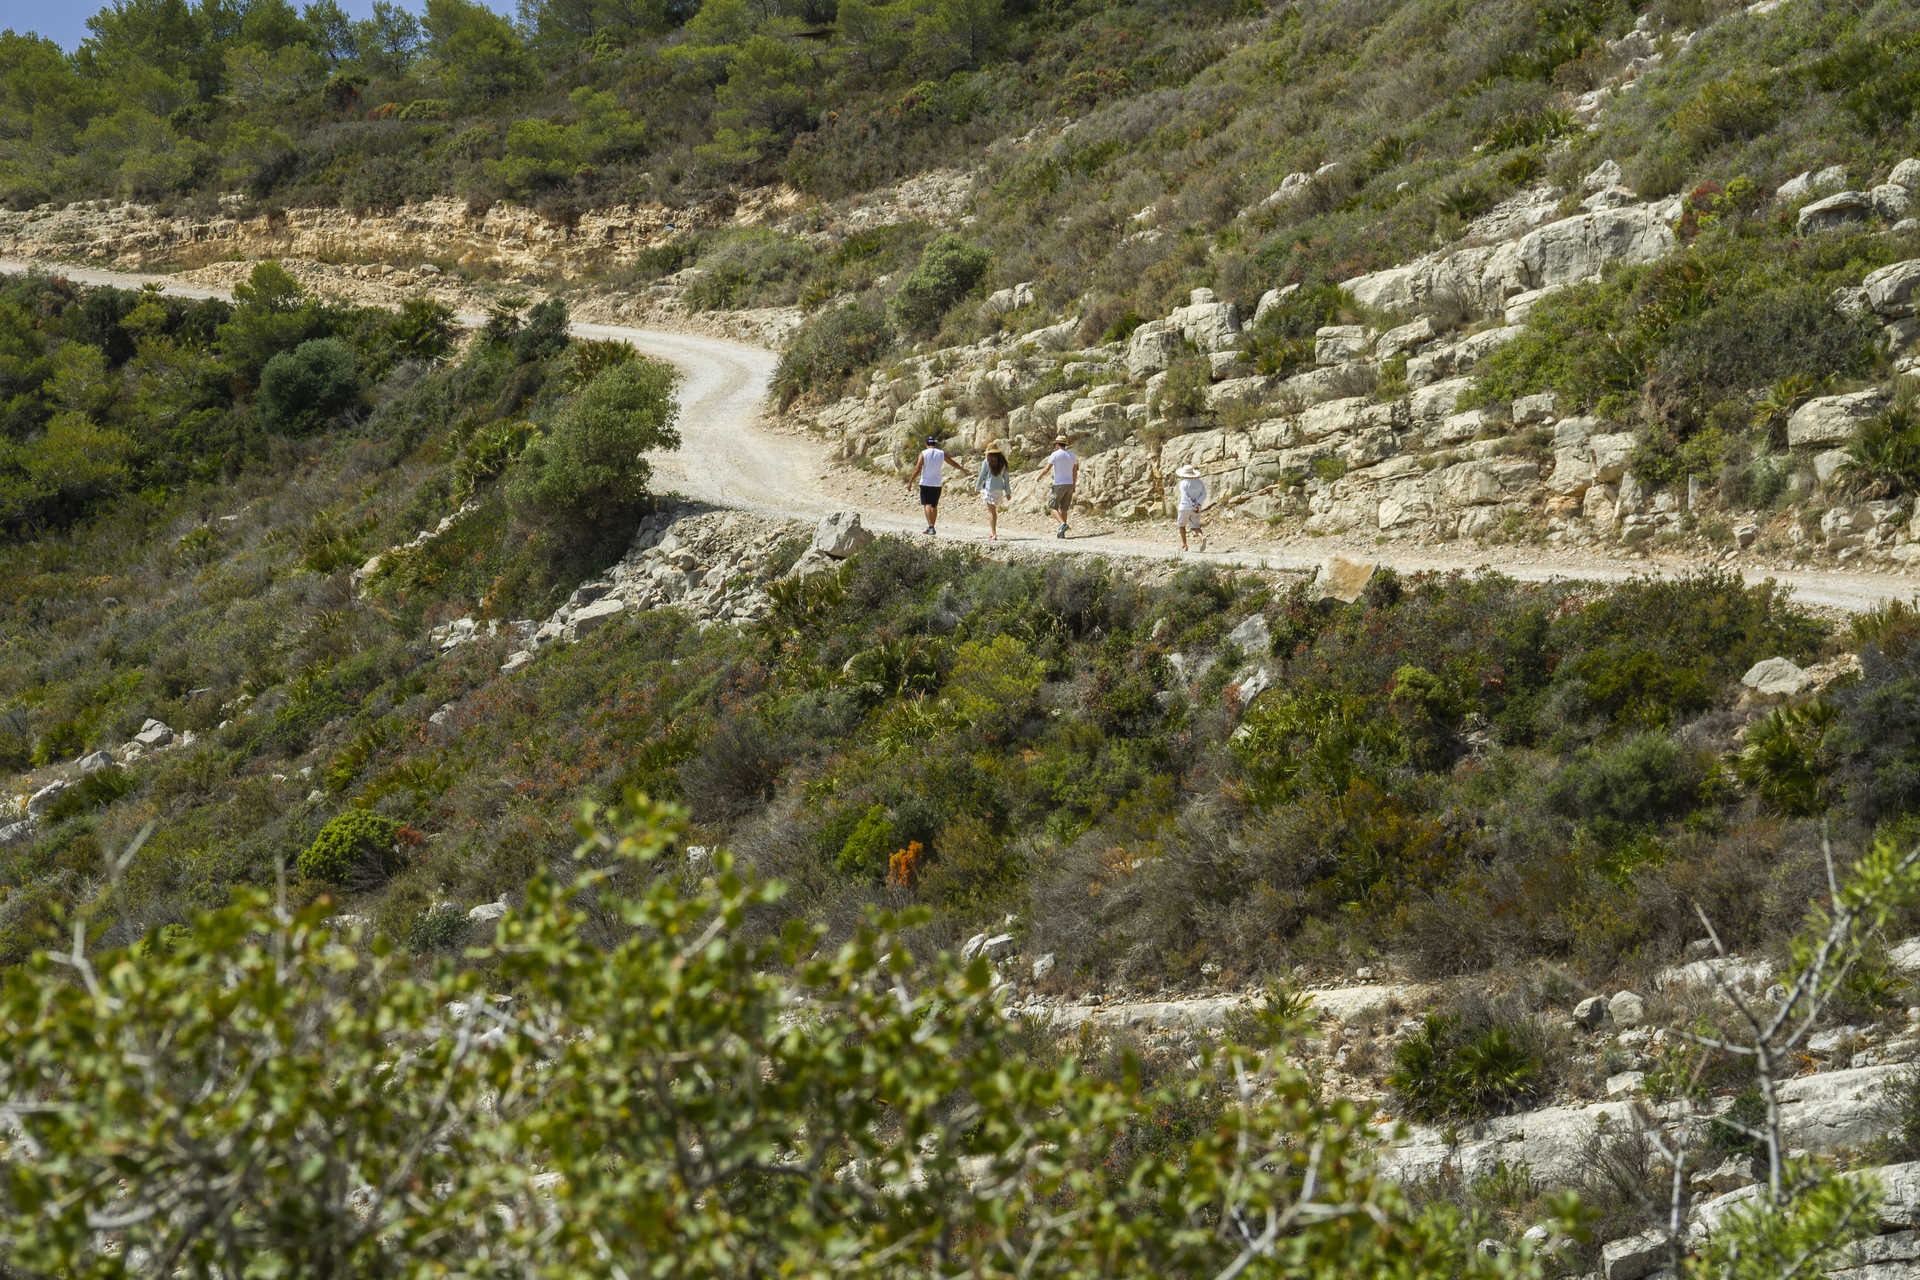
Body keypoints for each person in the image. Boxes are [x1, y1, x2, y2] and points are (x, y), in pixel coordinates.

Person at [908, 434, 960, 535]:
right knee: (934, 505)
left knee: (927, 504)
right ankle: (931, 527)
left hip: (925, 483)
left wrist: (910, 481)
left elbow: (917, 468)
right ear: (934, 443)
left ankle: (931, 527)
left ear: (926, 443)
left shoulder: (923, 453)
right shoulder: (941, 453)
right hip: (937, 483)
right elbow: (952, 463)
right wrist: (962, 469)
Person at [1037, 435, 1078, 539]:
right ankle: (1062, 533)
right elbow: (1075, 471)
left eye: (1055, 444)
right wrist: (1074, 484)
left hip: (1059, 484)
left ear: (1057, 444)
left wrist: (1039, 477)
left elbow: (1047, 468)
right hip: (1069, 484)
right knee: (1064, 508)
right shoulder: (1072, 455)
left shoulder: (1055, 454)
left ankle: (1063, 524)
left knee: (1052, 507)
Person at [978, 440, 1013, 541]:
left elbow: (981, 476)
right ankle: (993, 533)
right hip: (999, 491)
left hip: (989, 490)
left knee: (991, 512)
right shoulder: (1003, 463)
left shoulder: (986, 462)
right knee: (994, 512)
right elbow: (1006, 479)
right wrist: (1008, 492)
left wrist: (977, 487)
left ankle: (993, 533)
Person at [1174, 463, 1208, 552]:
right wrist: (1197, 504)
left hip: (1185, 506)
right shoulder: (1200, 482)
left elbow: (1185, 496)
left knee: (1181, 526)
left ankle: (1185, 545)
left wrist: (1192, 505)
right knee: (1195, 526)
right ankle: (1201, 538)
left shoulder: (1183, 483)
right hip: (1197, 507)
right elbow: (1204, 494)